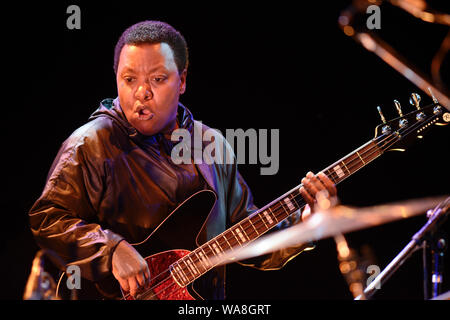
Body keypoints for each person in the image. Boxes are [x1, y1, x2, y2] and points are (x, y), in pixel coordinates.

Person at [29, 20, 337, 300]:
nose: (141, 92)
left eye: (158, 78)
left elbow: (245, 234)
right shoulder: (91, 143)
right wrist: (110, 250)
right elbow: (48, 218)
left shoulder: (211, 145)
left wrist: (306, 225)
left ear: (183, 80)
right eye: (129, 78)